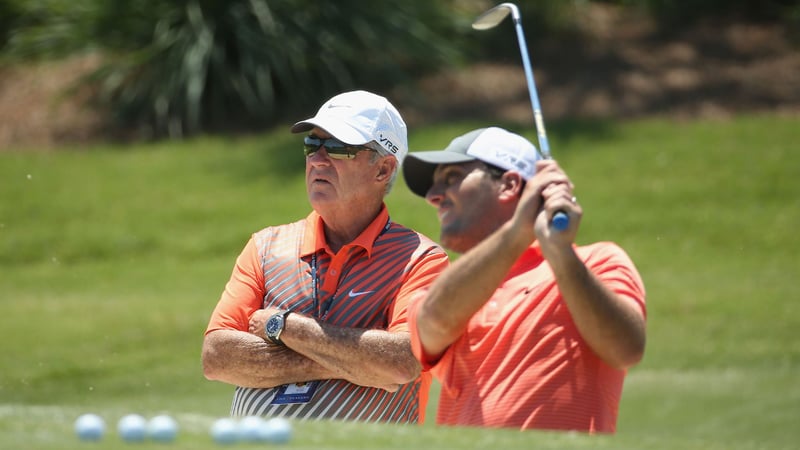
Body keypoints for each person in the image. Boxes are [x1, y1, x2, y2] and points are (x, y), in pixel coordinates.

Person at [202, 90, 449, 423]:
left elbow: (401, 362)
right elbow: (217, 357)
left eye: (337, 148)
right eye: (311, 145)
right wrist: (348, 363)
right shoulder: (264, 246)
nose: (317, 159)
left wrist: (283, 326)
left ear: (383, 170)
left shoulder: (421, 260)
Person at [401, 126, 647, 433]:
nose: (433, 197)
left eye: (451, 178)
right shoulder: (447, 286)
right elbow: (433, 326)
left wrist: (559, 252)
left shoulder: (595, 263)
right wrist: (518, 231)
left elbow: (626, 348)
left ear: (509, 184)